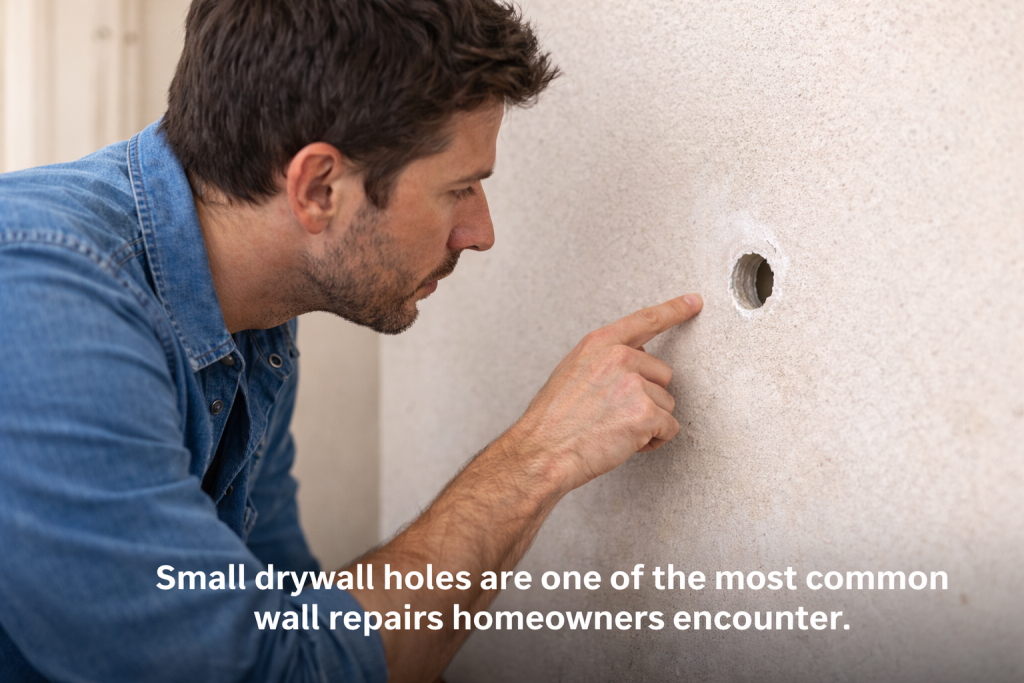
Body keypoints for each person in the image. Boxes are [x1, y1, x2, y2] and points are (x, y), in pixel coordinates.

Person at [0, 0, 702, 680]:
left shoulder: (254, 315)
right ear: (319, 187)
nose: (480, 233)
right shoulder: (43, 301)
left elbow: (290, 608)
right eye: (459, 189)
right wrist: (537, 459)